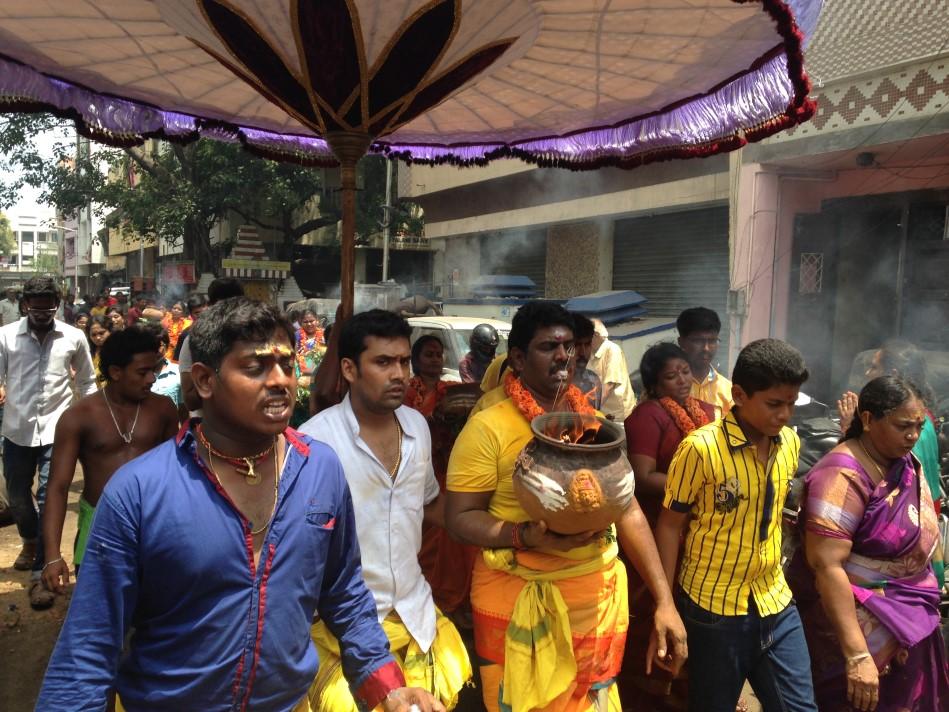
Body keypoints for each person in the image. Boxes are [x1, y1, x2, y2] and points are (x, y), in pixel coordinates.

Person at [37, 298, 445, 712]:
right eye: (255, 368)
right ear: (205, 381)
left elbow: (343, 592)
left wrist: (386, 684)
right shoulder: (139, 491)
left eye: (287, 366)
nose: (280, 381)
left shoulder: (320, 470)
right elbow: (88, 650)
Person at [446, 301, 686, 712]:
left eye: (569, 346)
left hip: (596, 601)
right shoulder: (487, 427)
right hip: (517, 602)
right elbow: (459, 518)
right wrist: (521, 536)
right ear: (518, 359)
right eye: (548, 347)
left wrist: (665, 601)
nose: (563, 356)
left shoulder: (593, 422)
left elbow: (626, 510)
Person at [300, 311, 471, 711]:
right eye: (383, 362)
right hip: (343, 629)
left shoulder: (418, 427)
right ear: (349, 368)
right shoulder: (314, 442)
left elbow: (429, 504)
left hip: (417, 614)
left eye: (403, 362)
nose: (399, 374)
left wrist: (497, 527)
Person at [655, 338, 816, 712]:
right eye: (774, 404)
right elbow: (668, 526)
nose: (784, 415)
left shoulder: (790, 443)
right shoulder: (701, 449)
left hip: (775, 600)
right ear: (739, 395)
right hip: (713, 609)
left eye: (791, 404)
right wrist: (666, 605)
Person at [788, 376, 948, 712]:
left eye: (919, 426)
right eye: (903, 426)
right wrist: (857, 654)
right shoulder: (840, 475)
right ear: (868, 420)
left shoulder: (903, 464)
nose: (914, 436)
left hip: (908, 624)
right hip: (850, 638)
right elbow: (826, 565)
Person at [41, 326, 179, 592]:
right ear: (116, 372)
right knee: (99, 609)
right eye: (142, 372)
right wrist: (52, 555)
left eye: (155, 369)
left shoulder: (162, 409)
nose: (151, 378)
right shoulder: (79, 416)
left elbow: (175, 475)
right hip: (98, 523)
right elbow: (57, 487)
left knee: (152, 611)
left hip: (152, 522)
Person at [618, 343, 715, 710]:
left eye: (685, 372)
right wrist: (698, 487)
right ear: (656, 384)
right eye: (671, 376)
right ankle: (651, 688)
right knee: (656, 607)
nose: (682, 380)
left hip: (703, 533)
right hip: (661, 529)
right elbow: (642, 477)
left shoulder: (707, 412)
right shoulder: (648, 416)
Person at [0, 277, 97, 609]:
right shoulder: (6, 337)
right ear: (25, 303)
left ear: (58, 303)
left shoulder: (74, 337)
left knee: (48, 495)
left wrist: (95, 423)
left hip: (58, 432)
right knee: (18, 499)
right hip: (15, 430)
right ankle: (29, 541)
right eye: (36, 308)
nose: (42, 315)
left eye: (49, 308)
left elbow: (87, 382)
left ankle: (40, 571)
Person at [836, 340, 945, 585]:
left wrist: (849, 434)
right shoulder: (922, 418)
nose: (867, 373)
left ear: (892, 375)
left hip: (905, 536)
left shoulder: (901, 430)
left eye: (874, 367)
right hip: (923, 524)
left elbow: (877, 483)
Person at [405, 334, 480, 617]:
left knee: (453, 533)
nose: (435, 360)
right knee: (430, 529)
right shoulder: (408, 391)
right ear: (416, 360)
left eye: (438, 355)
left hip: (449, 465)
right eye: (429, 355)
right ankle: (431, 590)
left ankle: (455, 593)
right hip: (422, 467)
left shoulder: (452, 388)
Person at [180, 279, 243, 412]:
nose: (230, 312)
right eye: (224, 306)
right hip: (209, 427)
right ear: (212, 307)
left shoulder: (255, 338)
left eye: (235, 306)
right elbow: (190, 401)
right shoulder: (194, 339)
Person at [676, 307, 732, 418]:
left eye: (712, 341)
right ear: (681, 342)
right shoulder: (669, 387)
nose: (706, 348)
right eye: (698, 341)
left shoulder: (728, 392)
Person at [588, 319, 637, 421]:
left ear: (595, 335)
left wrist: (590, 407)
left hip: (619, 414)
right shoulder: (589, 352)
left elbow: (609, 385)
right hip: (602, 413)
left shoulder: (613, 350)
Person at [152, 328, 187, 419]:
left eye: (158, 346)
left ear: (167, 347)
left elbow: (183, 411)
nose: (154, 351)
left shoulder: (177, 373)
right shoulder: (134, 375)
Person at [571, 313, 603, 410]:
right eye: (577, 345)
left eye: (587, 344)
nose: (583, 352)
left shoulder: (594, 381)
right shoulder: (555, 384)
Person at [295, 309, 325, 388]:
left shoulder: (324, 335)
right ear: (300, 323)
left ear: (317, 321)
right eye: (305, 322)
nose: (309, 324)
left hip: (320, 374)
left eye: (311, 321)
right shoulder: (296, 336)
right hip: (302, 375)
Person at [86, 314, 112, 387]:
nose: (97, 337)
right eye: (93, 335)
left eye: (101, 333)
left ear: (110, 331)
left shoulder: (120, 350)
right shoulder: (88, 352)